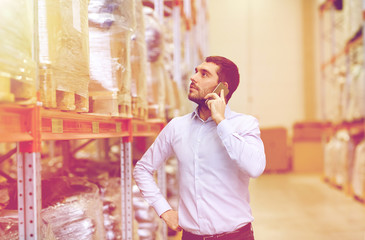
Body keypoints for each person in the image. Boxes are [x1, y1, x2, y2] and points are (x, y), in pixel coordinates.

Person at [133, 56, 266, 240]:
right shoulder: (177, 126)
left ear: (223, 88)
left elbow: (255, 167)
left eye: (204, 74)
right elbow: (142, 169)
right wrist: (164, 210)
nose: (193, 78)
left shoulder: (244, 124)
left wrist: (221, 121)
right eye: (196, 71)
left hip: (236, 236)